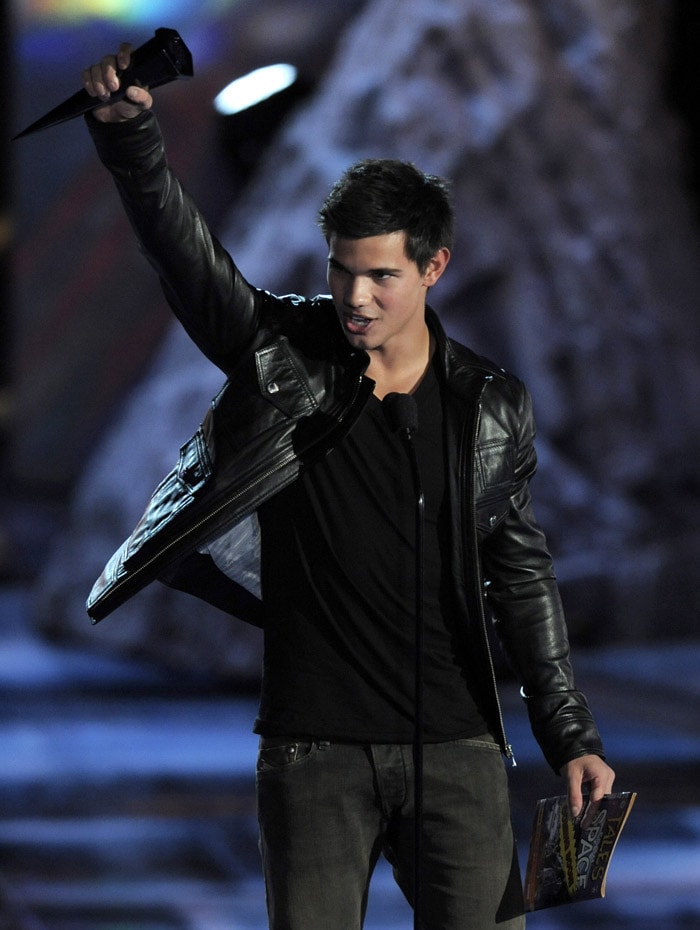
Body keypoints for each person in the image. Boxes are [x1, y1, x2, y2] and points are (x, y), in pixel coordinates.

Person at [81, 43, 615, 930]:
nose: (356, 297)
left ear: (433, 268)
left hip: (458, 754)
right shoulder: (287, 359)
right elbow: (189, 263)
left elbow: (522, 572)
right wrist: (133, 141)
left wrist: (572, 736)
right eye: (341, 270)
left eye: (381, 275)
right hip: (315, 752)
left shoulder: (488, 404)